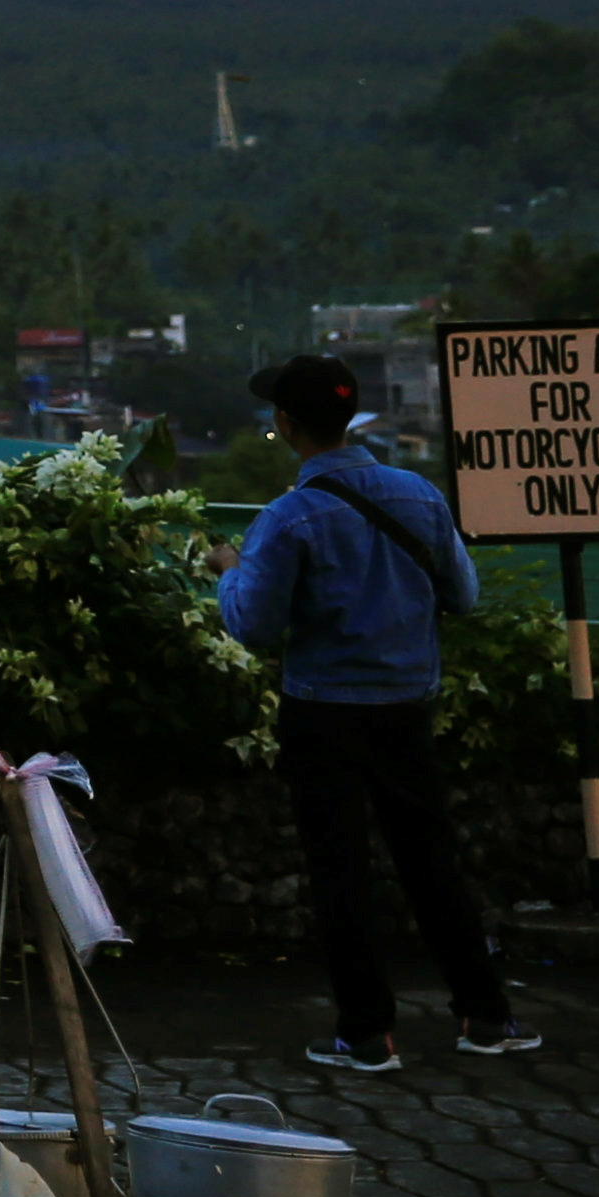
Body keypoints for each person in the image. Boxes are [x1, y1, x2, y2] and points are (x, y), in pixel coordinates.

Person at [216, 352, 535, 1070]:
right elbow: (464, 596)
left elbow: (257, 629)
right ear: (352, 416)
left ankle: (365, 1035)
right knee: (434, 865)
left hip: (321, 716)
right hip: (406, 712)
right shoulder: (419, 496)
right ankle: (486, 1018)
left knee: (340, 873)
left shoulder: (286, 518)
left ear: (286, 424)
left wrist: (226, 573)